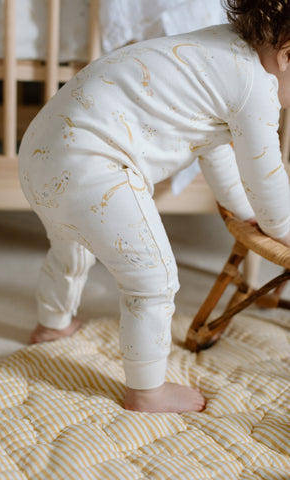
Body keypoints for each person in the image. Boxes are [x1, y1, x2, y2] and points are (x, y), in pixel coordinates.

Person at [18, 0, 290, 414]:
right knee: (154, 278)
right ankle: (147, 392)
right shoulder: (257, 89)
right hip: (95, 162)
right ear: (288, 55)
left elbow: (213, 148)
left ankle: (52, 325)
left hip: (41, 149)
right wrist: (282, 228)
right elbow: (266, 177)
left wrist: (239, 208)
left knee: (71, 244)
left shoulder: (218, 48)